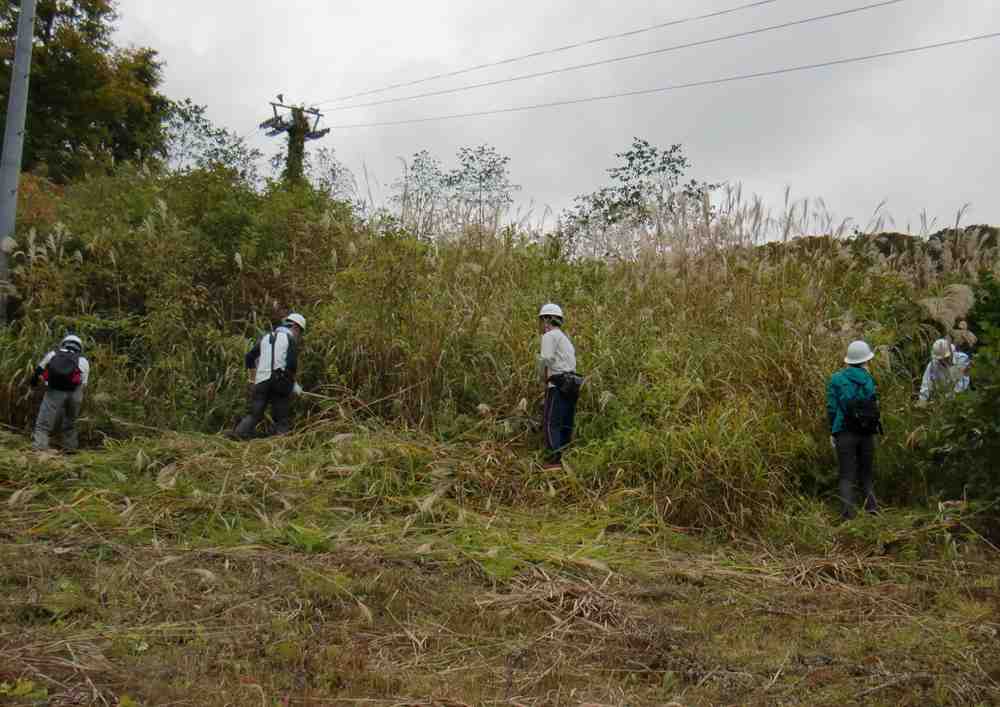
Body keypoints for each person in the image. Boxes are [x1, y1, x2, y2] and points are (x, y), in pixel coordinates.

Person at [827, 340, 882, 519]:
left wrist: (832, 431)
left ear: (848, 360)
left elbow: (832, 408)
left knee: (846, 476)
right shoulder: (868, 379)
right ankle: (873, 510)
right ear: (865, 360)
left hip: (844, 432)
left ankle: (847, 516)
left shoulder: (836, 379)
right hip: (867, 432)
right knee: (866, 474)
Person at [231, 313, 305, 440]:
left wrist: (252, 378)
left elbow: (249, 357)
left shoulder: (265, 337)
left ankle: (237, 438)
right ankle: (281, 447)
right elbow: (291, 365)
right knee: (281, 418)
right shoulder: (290, 339)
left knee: (254, 415)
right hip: (280, 381)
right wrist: (293, 385)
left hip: (261, 382)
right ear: (296, 327)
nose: (299, 336)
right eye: (300, 333)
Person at [537, 303, 581, 469]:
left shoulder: (549, 336)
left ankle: (553, 461)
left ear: (547, 319)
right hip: (572, 384)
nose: (542, 324)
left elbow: (545, 359)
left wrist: (542, 377)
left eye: (543, 320)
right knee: (565, 421)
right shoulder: (565, 338)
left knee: (551, 422)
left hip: (558, 384)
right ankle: (565, 457)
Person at [30, 334, 90, 452]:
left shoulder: (53, 354)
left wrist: (34, 383)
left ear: (64, 343)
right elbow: (84, 383)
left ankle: (40, 448)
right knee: (71, 422)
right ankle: (70, 448)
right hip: (75, 393)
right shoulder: (83, 360)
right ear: (79, 347)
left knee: (44, 422)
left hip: (54, 390)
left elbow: (39, 370)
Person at [919, 338, 970, 403]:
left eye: (946, 358)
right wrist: (922, 400)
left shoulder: (962, 359)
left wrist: (948, 398)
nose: (944, 361)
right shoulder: (933, 365)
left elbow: (962, 383)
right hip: (940, 398)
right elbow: (926, 384)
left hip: (960, 398)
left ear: (952, 352)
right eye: (941, 359)